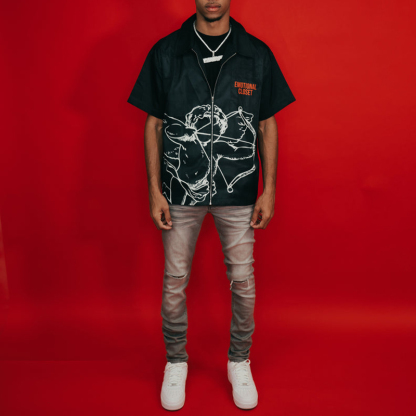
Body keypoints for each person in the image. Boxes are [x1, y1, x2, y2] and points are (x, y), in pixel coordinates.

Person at [127, 0, 296, 411]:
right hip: (178, 192)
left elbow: (266, 123)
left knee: (243, 280)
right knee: (174, 281)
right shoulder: (166, 52)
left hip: (238, 195)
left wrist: (269, 190)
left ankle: (239, 361)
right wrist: (155, 190)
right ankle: (176, 362)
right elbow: (154, 123)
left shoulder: (256, 54)